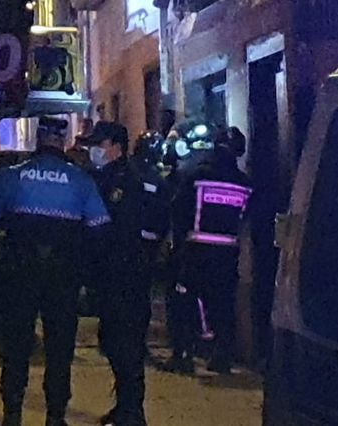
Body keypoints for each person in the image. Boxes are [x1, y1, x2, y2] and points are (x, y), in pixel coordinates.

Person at [0, 115, 110, 426]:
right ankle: (55, 417)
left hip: (20, 272)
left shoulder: (14, 175)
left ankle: (12, 415)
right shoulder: (81, 180)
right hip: (63, 276)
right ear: (61, 140)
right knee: (59, 350)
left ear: (38, 139)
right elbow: (99, 229)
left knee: (16, 345)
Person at [86, 122, 154, 426]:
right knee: (113, 341)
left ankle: (132, 412)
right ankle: (125, 406)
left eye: (99, 144)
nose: (94, 151)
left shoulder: (128, 180)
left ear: (115, 146)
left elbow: (123, 230)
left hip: (127, 275)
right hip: (111, 275)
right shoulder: (107, 176)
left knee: (126, 344)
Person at [170, 126, 252, 374]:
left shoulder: (196, 175)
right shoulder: (244, 184)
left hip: (196, 249)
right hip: (227, 253)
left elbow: (178, 209)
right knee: (223, 304)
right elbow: (246, 218)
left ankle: (183, 356)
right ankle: (222, 356)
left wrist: (178, 243)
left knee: (184, 300)